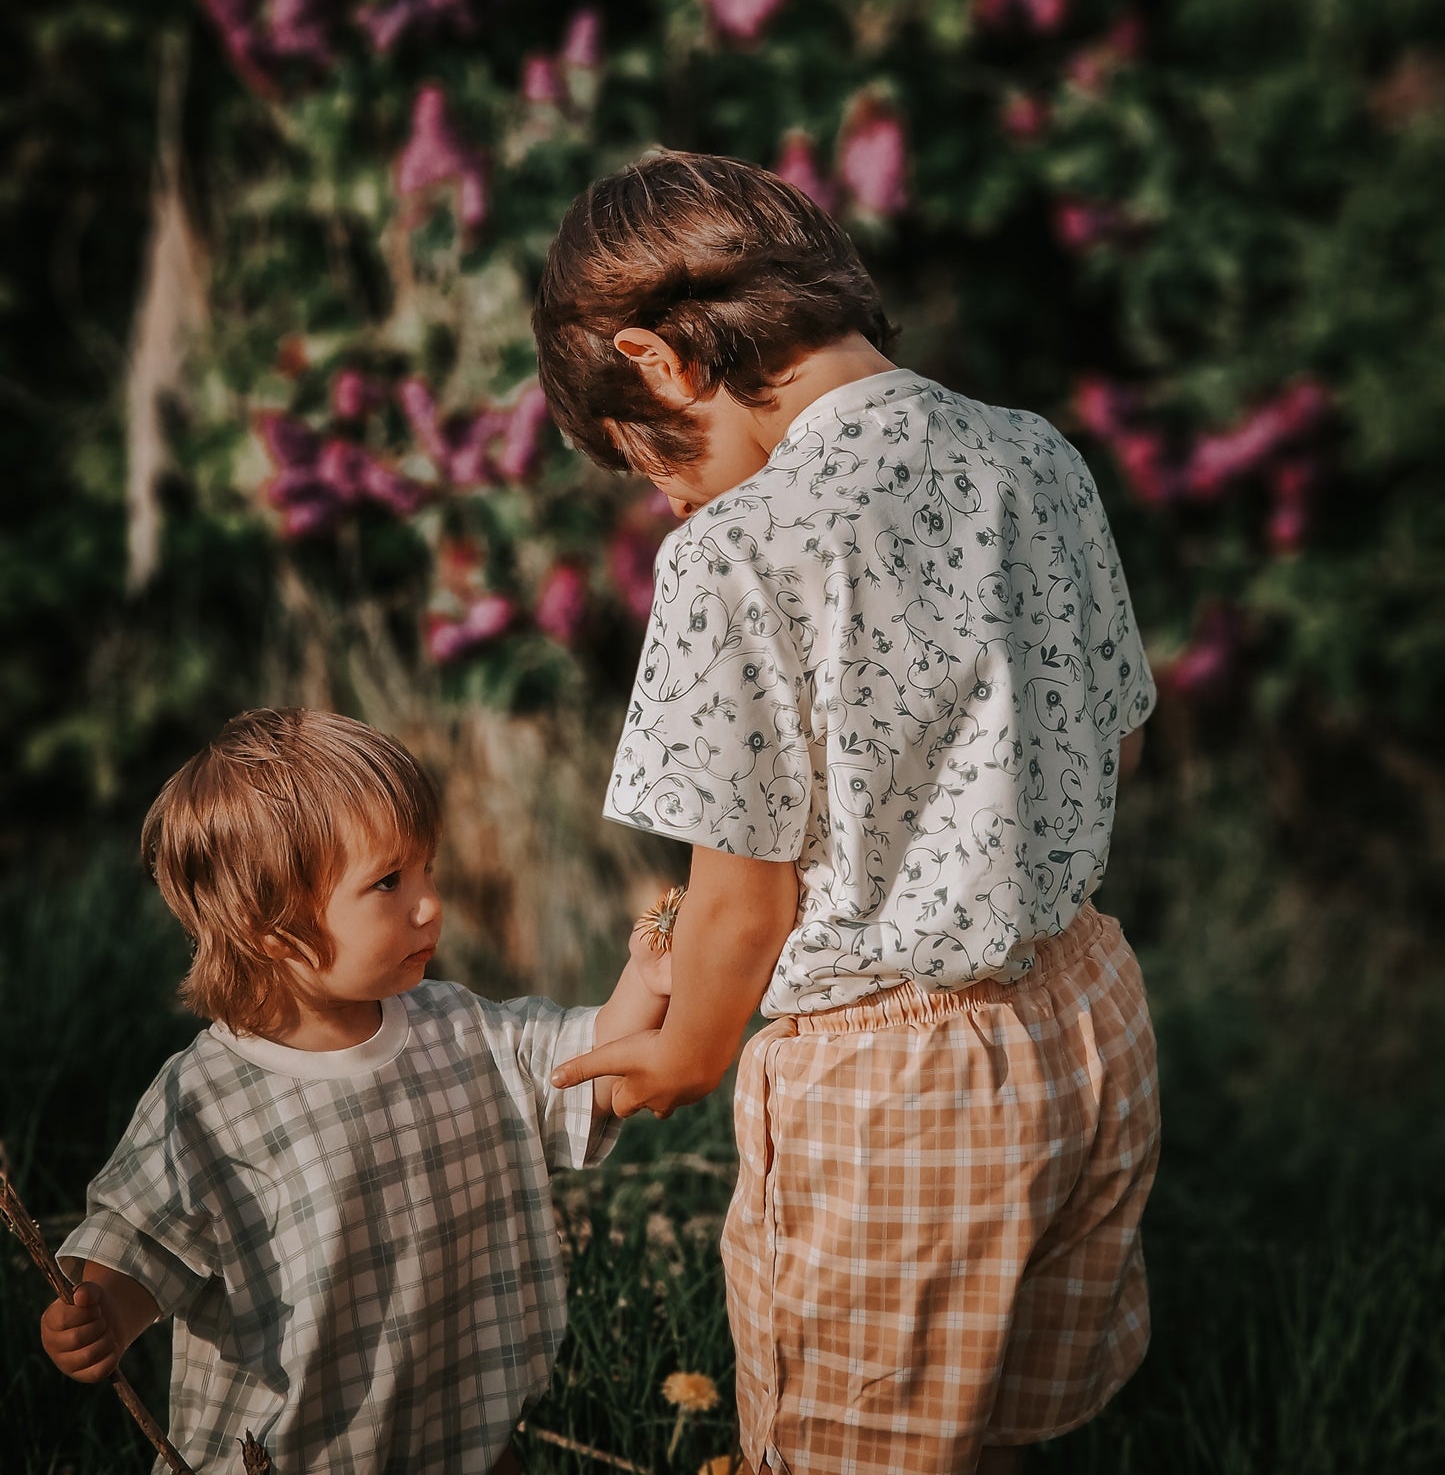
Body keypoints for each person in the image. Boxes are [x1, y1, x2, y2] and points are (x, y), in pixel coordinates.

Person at [534, 151, 1161, 1475]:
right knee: (1005, 1428)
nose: (671, 496)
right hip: (1090, 1016)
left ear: (655, 357)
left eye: (648, 462)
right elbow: (1111, 723)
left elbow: (744, 890)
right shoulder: (1033, 452)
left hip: (900, 1084)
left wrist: (685, 1050)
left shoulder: (739, 544)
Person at [41, 707, 669, 1474]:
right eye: (388, 881)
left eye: (427, 868)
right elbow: (145, 1238)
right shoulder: (210, 1099)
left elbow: (585, 1063)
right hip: (297, 1452)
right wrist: (103, 1310)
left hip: (460, 1433)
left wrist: (647, 979)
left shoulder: (458, 1028)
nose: (430, 902)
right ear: (272, 926)